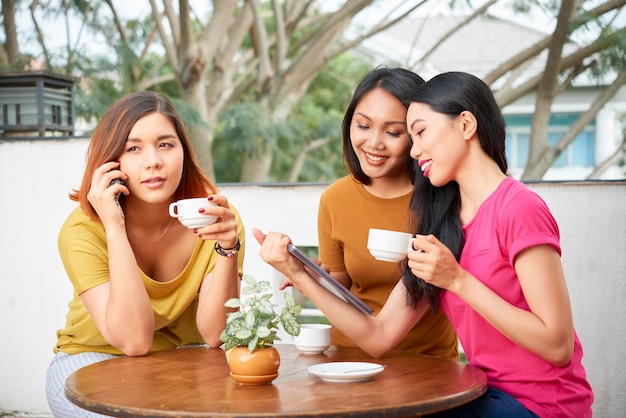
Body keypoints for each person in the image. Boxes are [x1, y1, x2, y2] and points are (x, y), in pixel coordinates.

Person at [253, 72, 593, 417]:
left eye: (419, 132)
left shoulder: (518, 208)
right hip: (479, 392)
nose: (414, 151)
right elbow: (379, 336)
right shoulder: (445, 222)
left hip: (541, 405)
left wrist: (458, 280)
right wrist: (298, 273)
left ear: (465, 125)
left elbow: (558, 345)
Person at [46, 92, 245, 417]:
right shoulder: (82, 230)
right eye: (133, 148)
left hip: (183, 362)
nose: (153, 160)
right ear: (111, 160)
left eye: (166, 144)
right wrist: (114, 226)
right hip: (92, 358)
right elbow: (134, 341)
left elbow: (215, 335)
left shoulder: (216, 218)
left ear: (184, 153)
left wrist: (228, 249)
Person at [315, 67, 457, 358]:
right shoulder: (335, 198)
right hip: (348, 360)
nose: (374, 143)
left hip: (427, 366)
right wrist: (315, 277)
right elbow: (341, 289)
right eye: (363, 126)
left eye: (393, 132)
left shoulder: (442, 198)